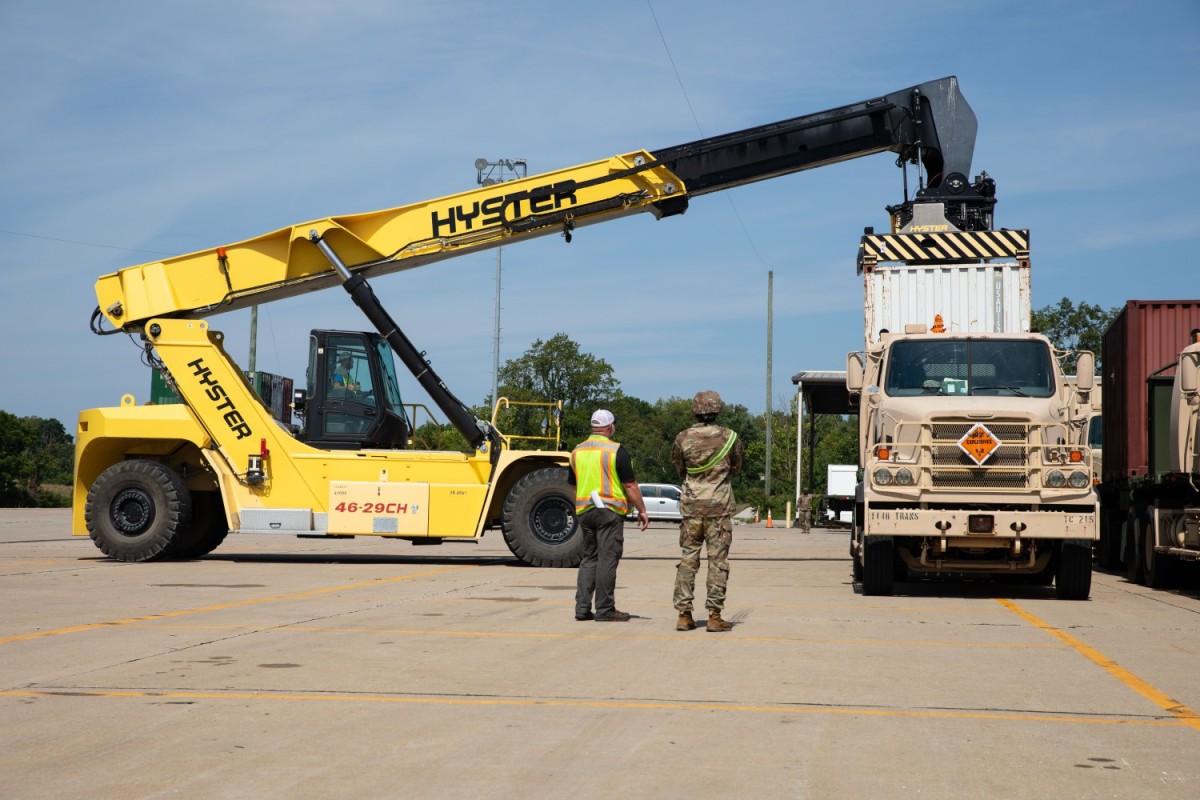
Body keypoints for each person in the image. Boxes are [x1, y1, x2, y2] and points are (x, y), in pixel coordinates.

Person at [671, 390, 744, 633]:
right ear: (718, 410)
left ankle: (684, 615)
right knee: (718, 562)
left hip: (691, 508)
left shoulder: (682, 438)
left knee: (688, 560)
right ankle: (714, 615)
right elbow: (736, 467)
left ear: (695, 410)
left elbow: (679, 468)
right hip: (719, 509)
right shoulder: (730, 437)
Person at [569, 408, 649, 622]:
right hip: (609, 511)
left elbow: (574, 484)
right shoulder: (616, 451)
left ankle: (582, 609)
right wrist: (641, 510)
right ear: (609, 427)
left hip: (584, 511)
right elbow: (630, 484)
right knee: (607, 559)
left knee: (589, 559)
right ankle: (605, 610)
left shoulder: (577, 451)